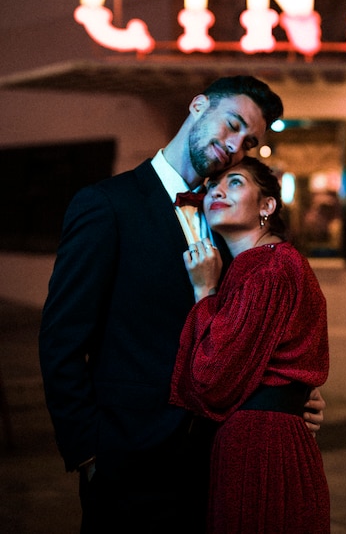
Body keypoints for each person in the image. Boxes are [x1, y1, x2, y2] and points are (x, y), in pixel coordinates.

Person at [39, 75, 326, 534]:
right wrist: (89, 452)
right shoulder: (107, 205)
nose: (234, 145)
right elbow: (61, 339)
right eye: (231, 124)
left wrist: (288, 398)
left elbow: (247, 330)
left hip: (216, 457)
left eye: (248, 142)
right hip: (129, 458)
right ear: (197, 106)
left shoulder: (230, 218)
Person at [169, 156, 330, 533]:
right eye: (211, 186)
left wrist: (204, 289)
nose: (217, 191)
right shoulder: (264, 265)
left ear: (267, 205)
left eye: (235, 182)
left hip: (261, 447)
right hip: (264, 438)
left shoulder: (269, 270)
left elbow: (211, 377)